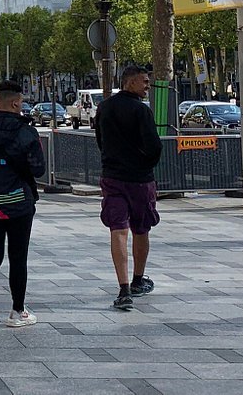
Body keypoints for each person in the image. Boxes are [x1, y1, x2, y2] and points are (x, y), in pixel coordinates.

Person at [0, 80, 46, 336]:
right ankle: (17, 311)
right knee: (18, 256)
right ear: (15, 102)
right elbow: (38, 169)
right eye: (22, 101)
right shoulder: (26, 132)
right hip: (17, 200)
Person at [96, 65, 162, 311]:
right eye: (144, 81)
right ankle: (137, 279)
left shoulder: (104, 107)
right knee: (141, 228)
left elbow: (100, 140)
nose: (147, 85)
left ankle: (123, 288)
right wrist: (145, 164)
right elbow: (154, 146)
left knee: (118, 229)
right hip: (140, 179)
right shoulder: (141, 111)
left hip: (112, 177)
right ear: (131, 82)